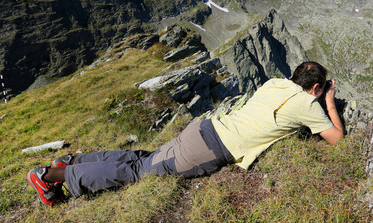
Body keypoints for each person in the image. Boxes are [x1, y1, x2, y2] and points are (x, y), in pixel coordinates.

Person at [27, 61, 343, 206]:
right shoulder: (309, 104)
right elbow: (337, 140)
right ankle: (50, 177)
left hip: (204, 127)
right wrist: (328, 102)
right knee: (137, 173)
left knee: (142, 158)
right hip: (208, 149)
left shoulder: (276, 82)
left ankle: (70, 162)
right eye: (320, 89)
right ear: (315, 87)